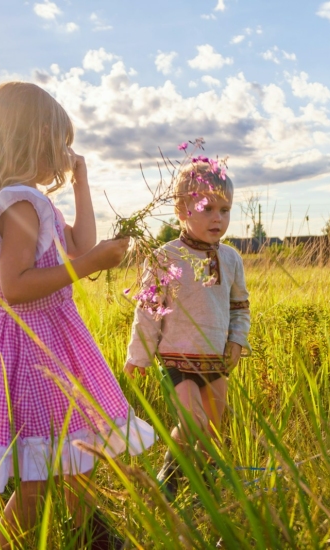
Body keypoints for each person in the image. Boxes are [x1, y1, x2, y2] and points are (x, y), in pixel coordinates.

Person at [0, 81, 155, 549]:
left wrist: (81, 185)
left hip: (49, 339)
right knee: (36, 483)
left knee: (75, 460)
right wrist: (89, 267)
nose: (67, 152)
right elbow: (15, 286)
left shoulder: (33, 199)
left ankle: (89, 536)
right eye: (60, 141)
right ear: (32, 139)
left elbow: (80, 245)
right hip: (33, 347)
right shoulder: (19, 201)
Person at [124, 161, 250, 499]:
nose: (218, 219)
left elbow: (239, 306)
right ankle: (170, 479)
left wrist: (237, 340)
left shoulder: (231, 259)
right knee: (192, 420)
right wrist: (138, 355)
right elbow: (148, 310)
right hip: (176, 357)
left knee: (211, 428)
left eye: (225, 210)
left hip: (216, 360)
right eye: (207, 208)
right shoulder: (165, 257)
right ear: (181, 209)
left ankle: (202, 488)